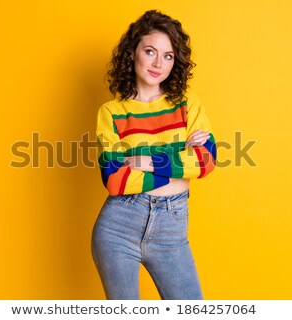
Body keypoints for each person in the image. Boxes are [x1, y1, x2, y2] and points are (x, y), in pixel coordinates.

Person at [91, 9, 217, 300]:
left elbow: (207, 161)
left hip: (172, 230)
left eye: (168, 55)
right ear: (132, 53)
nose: (159, 63)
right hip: (118, 227)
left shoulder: (187, 103)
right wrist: (182, 159)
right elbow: (115, 181)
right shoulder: (111, 112)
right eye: (150, 51)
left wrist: (147, 162)